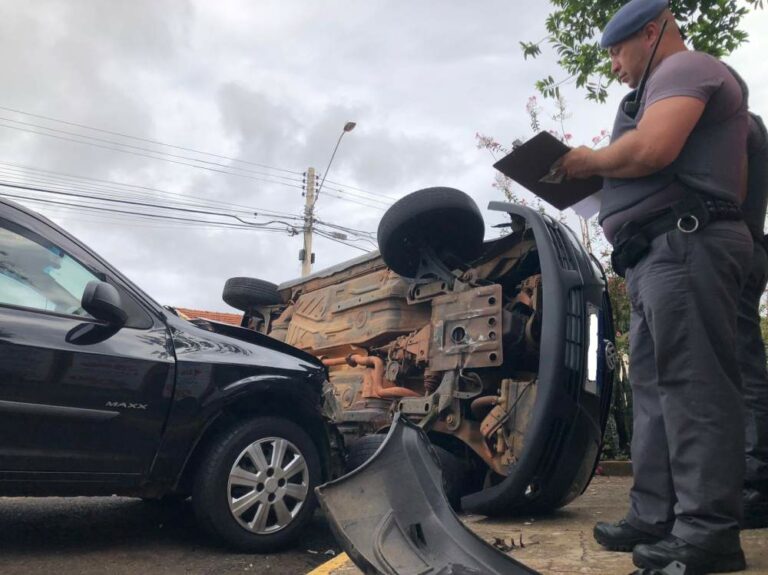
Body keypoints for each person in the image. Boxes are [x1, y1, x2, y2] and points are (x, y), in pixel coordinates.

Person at [557, 0, 753, 571]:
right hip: (653, 258)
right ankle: (656, 513)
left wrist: (590, 159)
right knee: (654, 391)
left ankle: (708, 531)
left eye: (618, 51)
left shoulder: (687, 69)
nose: (614, 65)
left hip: (687, 245)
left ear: (653, 31)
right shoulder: (655, 84)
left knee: (693, 388)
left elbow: (652, 149)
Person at [740, 112, 768, 530]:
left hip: (734, 254)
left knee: (741, 368)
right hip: (745, 249)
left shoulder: (738, 124)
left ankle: (755, 487)